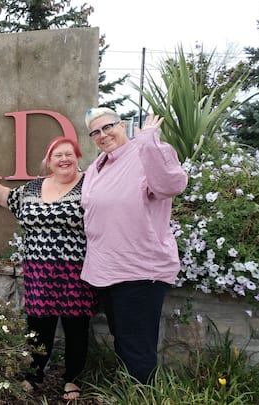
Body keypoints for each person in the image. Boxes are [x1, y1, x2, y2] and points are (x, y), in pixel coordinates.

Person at [0, 137, 96, 401]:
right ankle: (34, 375)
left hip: (75, 270)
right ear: (49, 161)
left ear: (77, 157)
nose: (64, 159)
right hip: (38, 271)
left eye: (69, 154)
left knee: (76, 326)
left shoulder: (90, 184)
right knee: (38, 326)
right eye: (58, 155)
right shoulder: (33, 188)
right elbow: (8, 198)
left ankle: (72, 379)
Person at [80, 107, 188, 384]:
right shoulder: (96, 167)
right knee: (123, 339)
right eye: (96, 132)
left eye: (108, 127)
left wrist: (149, 142)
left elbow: (171, 185)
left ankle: (141, 393)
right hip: (107, 269)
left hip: (140, 270)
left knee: (137, 347)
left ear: (122, 125)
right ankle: (128, 390)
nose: (103, 135)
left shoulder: (145, 153)